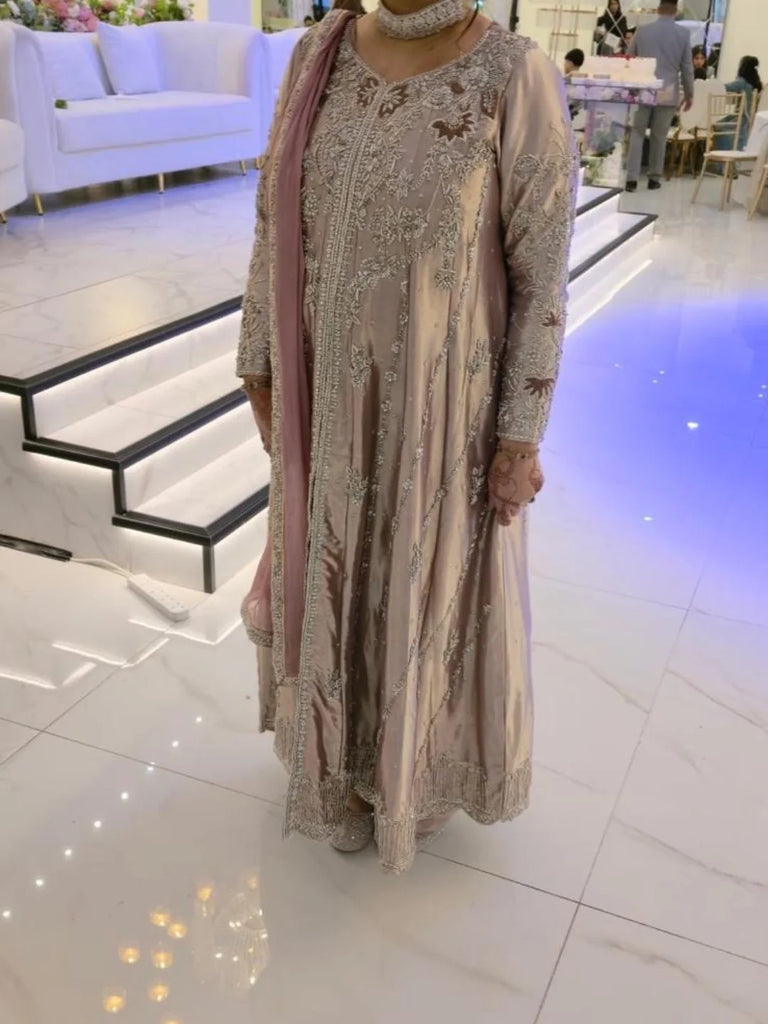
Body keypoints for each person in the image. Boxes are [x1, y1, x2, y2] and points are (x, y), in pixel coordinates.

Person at [237, 1, 577, 873]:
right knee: (332, 565)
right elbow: (273, 214)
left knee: (412, 577)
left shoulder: (513, 75)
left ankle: (406, 771)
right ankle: (331, 761)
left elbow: (541, 271)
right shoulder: (318, 54)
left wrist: (519, 433)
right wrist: (259, 357)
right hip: (325, 397)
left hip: (440, 414)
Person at [625, 0, 694, 191]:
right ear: (676, 11)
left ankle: (631, 178)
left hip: (643, 87)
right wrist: (689, 94)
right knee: (659, 135)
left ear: (658, 10)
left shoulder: (642, 31)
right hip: (667, 89)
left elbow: (629, 59)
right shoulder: (683, 34)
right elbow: (687, 68)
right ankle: (654, 178)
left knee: (637, 132)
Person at [719, 55, 763, 150]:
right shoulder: (757, 83)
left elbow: (724, 87)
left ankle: (722, 155)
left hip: (741, 119)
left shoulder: (742, 82)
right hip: (751, 120)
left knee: (718, 125)